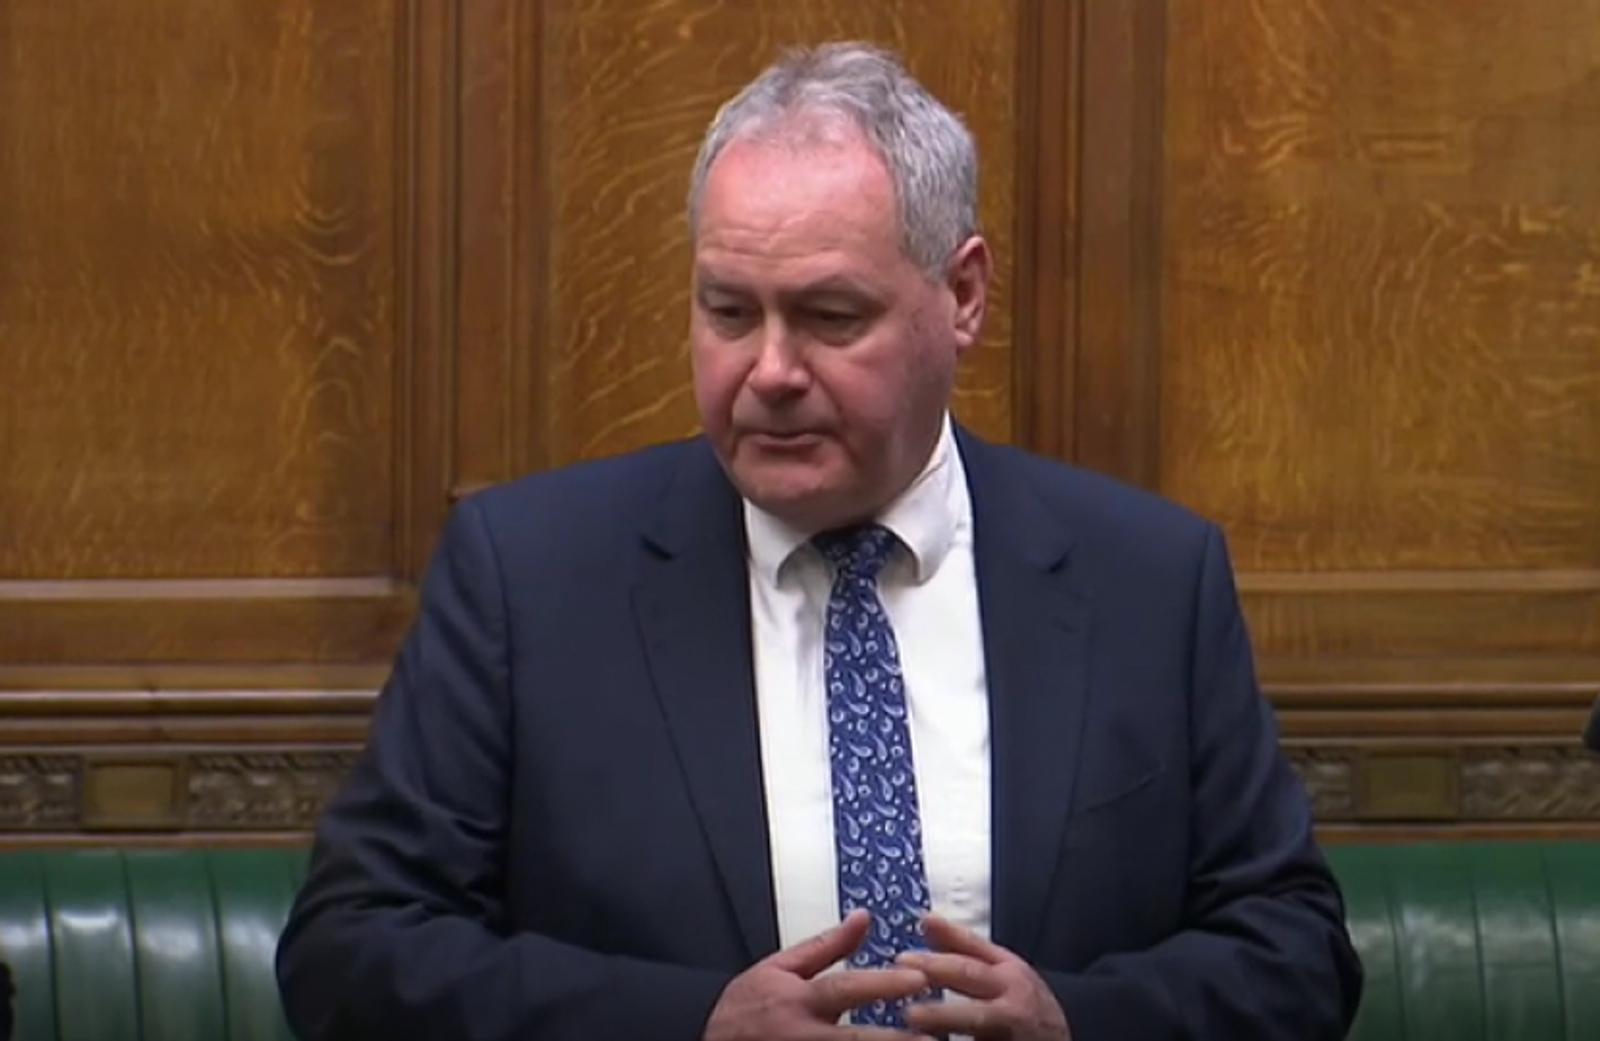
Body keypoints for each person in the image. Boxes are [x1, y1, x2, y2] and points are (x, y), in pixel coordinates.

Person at [276, 41, 1363, 1041]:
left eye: (831, 317)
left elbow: (1295, 953)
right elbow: (350, 953)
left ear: (963, 296)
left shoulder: (1148, 580)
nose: (770, 371)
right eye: (728, 312)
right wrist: (693, 1027)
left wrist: (1076, 1024)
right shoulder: (529, 578)